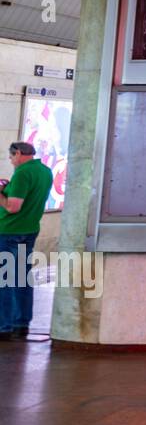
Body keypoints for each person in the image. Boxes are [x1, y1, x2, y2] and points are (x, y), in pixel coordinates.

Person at [0, 142, 54, 341]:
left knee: (4, 280)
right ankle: (21, 323)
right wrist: (8, 187)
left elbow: (13, 206)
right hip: (29, 229)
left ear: (19, 153)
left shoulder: (22, 173)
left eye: (12, 156)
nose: (11, 160)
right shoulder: (44, 171)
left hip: (9, 232)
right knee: (21, 277)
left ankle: (3, 326)